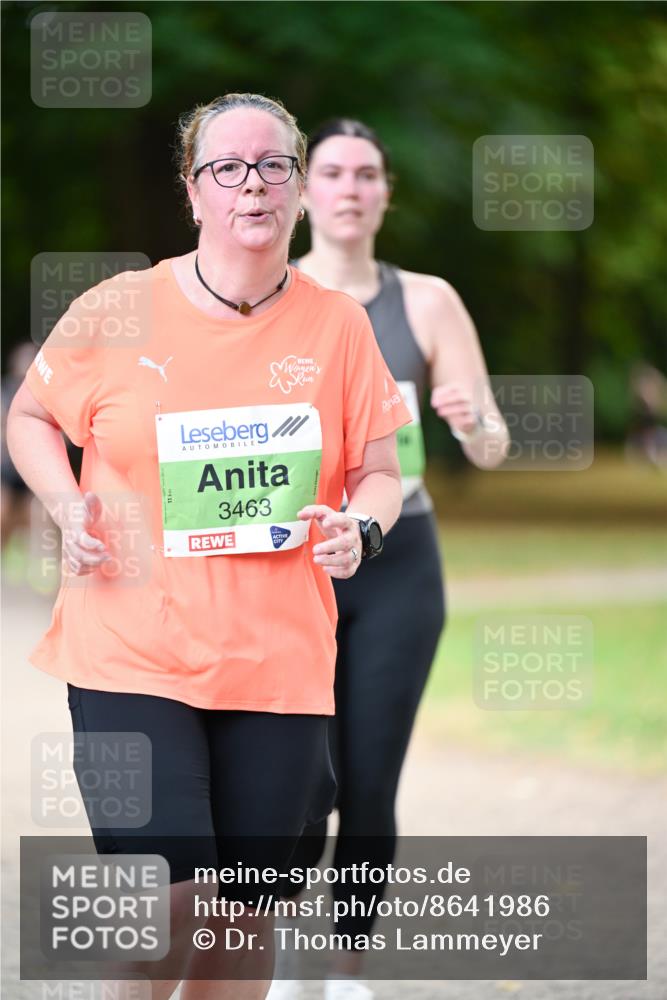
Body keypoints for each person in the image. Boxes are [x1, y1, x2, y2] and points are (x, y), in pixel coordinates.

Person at [7, 95, 412, 1000]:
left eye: (272, 165)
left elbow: (379, 469)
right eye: (225, 167)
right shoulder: (120, 307)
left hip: (280, 663)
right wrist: (68, 505)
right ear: (193, 193)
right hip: (130, 652)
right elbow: (30, 414)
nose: (251, 184)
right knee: (164, 907)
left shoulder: (337, 326)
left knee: (245, 913)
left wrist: (363, 525)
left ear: (299, 189)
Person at [268, 119, 510, 1000]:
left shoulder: (427, 301)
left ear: (384, 193)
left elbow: (490, 444)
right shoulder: (271, 292)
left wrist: (469, 420)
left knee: (368, 783)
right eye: (329, 171)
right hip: (292, 566)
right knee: (296, 781)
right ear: (302, 191)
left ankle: (345, 970)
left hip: (400, 556)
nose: (348, 187)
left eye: (366, 173)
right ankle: (278, 960)